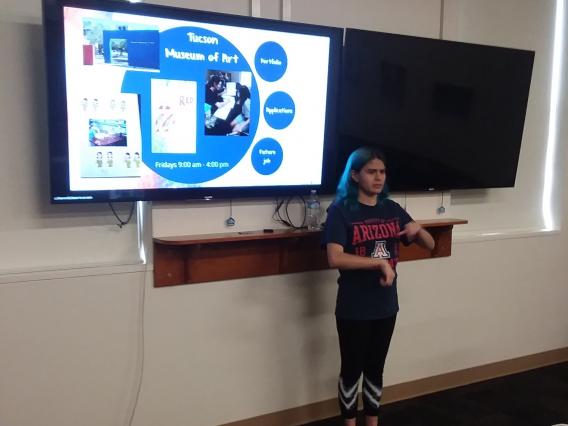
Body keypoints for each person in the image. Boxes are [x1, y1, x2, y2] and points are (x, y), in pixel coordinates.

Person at [323, 146, 435, 426]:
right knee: (352, 370)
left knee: (375, 369)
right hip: (354, 306)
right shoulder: (341, 211)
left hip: (385, 306)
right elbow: (334, 257)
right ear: (355, 175)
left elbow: (431, 245)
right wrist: (378, 263)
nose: (378, 178)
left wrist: (418, 230)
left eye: (382, 171)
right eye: (371, 172)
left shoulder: (391, 208)